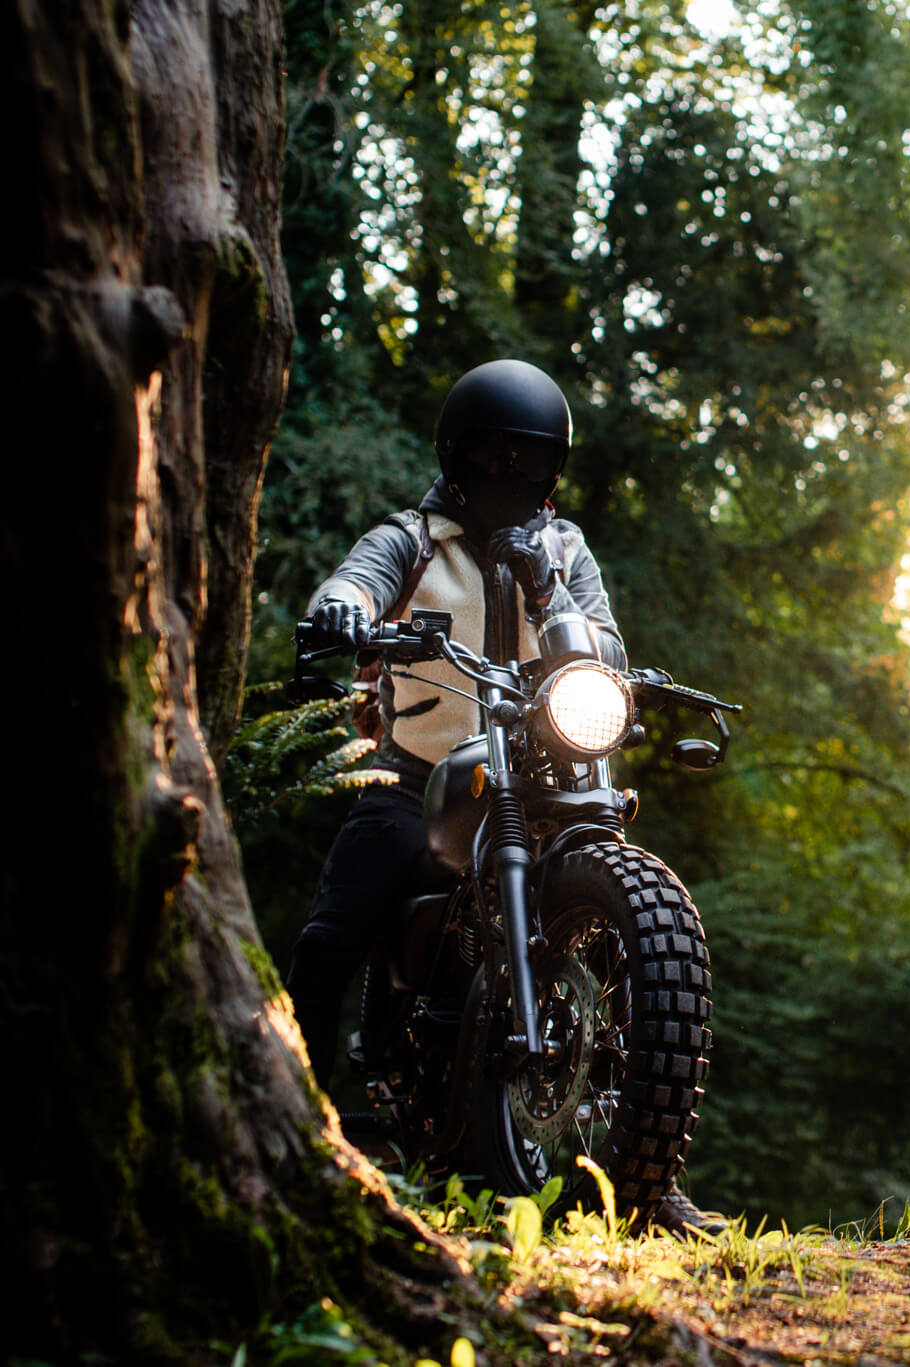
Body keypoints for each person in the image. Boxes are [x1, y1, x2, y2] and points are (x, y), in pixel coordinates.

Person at [287, 358, 721, 1233]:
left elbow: (602, 641)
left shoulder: (564, 549)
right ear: (461, 456)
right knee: (337, 928)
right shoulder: (413, 536)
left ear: (552, 470)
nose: (511, 478)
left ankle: (649, 1169)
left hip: (545, 779)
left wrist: (543, 583)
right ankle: (291, 1120)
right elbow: (356, 581)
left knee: (639, 931)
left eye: (529, 462)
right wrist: (341, 608)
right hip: (419, 778)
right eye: (496, 458)